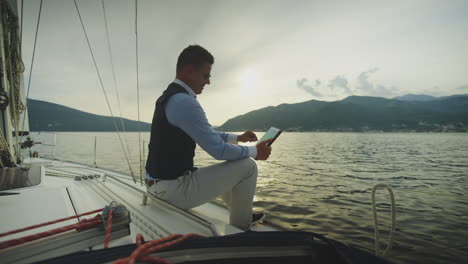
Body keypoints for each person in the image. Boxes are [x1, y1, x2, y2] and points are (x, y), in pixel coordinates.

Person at [145, 45, 273, 231]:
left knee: (234, 164)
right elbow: (218, 150)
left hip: (158, 187)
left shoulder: (172, 97)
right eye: (206, 76)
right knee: (248, 166)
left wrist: (238, 138)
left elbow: (208, 135)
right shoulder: (185, 102)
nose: (208, 82)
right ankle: (242, 227)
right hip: (172, 192)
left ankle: (241, 212)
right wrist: (255, 152)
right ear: (189, 71)